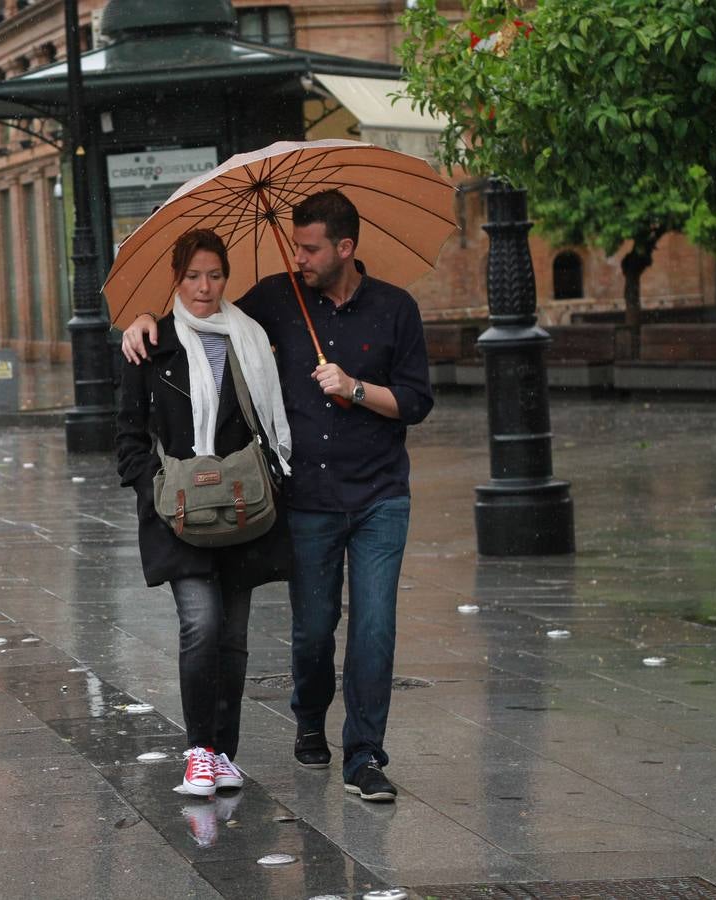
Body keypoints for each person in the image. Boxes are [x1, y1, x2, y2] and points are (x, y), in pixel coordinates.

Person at [121, 190, 434, 803]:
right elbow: (206, 311)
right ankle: (309, 719)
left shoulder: (396, 309)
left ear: (346, 247)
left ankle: (365, 755)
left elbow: (416, 403)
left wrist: (356, 389)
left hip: (379, 495)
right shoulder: (278, 299)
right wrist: (142, 319)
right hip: (309, 498)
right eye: (295, 243)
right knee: (314, 631)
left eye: (311, 247)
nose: (300, 256)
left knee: (374, 628)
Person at [116, 228, 293, 798]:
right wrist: (159, 488)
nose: (204, 286)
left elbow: (267, 424)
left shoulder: (252, 340)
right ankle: (198, 751)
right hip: (181, 516)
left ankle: (223, 754)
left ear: (227, 277)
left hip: (241, 511)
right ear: (176, 278)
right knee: (202, 624)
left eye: (215, 274)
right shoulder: (150, 343)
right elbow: (127, 442)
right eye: (192, 275)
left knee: (235, 637)